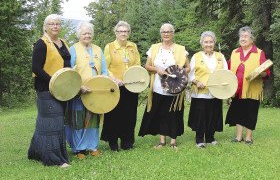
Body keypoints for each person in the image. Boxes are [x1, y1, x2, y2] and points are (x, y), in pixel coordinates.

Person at [138, 23, 190, 150]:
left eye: (169, 32)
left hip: (175, 88)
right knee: (161, 114)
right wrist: (157, 69)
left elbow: (188, 67)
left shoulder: (181, 49)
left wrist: (179, 72)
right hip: (157, 87)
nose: (166, 34)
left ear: (173, 33)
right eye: (164, 32)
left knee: (174, 114)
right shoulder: (154, 48)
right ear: (161, 34)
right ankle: (162, 141)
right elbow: (147, 66)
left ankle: (173, 141)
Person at [28, 14, 70, 167]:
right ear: (45, 26)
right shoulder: (41, 43)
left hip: (62, 89)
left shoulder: (63, 42)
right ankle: (54, 159)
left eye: (58, 24)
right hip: (46, 89)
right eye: (51, 24)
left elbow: (67, 64)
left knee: (47, 122)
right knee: (53, 123)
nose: (55, 26)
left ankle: (36, 152)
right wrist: (53, 80)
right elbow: (36, 68)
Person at [65, 21, 108, 159]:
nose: (87, 35)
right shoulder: (73, 49)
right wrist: (79, 87)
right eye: (84, 33)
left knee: (94, 120)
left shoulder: (98, 49)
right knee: (78, 121)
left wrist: (103, 83)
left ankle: (92, 147)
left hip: (95, 92)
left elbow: (105, 70)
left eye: (89, 33)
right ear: (79, 35)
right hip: (79, 92)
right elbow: (70, 72)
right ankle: (79, 149)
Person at [225, 26, 270, 145]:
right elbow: (229, 70)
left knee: (250, 112)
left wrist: (260, 73)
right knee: (238, 112)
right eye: (241, 36)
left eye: (246, 36)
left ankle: (249, 137)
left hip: (252, 89)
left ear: (252, 39)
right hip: (237, 89)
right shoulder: (234, 52)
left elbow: (266, 72)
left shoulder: (259, 52)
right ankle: (238, 137)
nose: (243, 38)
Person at [101, 21, 141, 151]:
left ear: (128, 33)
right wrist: (114, 78)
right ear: (116, 33)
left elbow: (137, 65)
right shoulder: (109, 47)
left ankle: (127, 142)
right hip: (115, 86)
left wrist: (135, 77)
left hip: (131, 86)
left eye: (125, 31)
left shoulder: (133, 46)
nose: (123, 34)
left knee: (129, 114)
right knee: (114, 115)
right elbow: (105, 67)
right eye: (120, 31)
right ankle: (113, 142)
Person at [188, 31, 228, 148]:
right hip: (200, 93)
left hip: (216, 92)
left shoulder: (220, 56)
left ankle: (210, 138)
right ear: (202, 43)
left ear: (214, 43)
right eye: (206, 42)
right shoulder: (196, 56)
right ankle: (199, 139)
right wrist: (196, 81)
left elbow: (226, 73)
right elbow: (190, 75)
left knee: (213, 115)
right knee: (201, 116)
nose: (208, 44)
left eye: (211, 42)